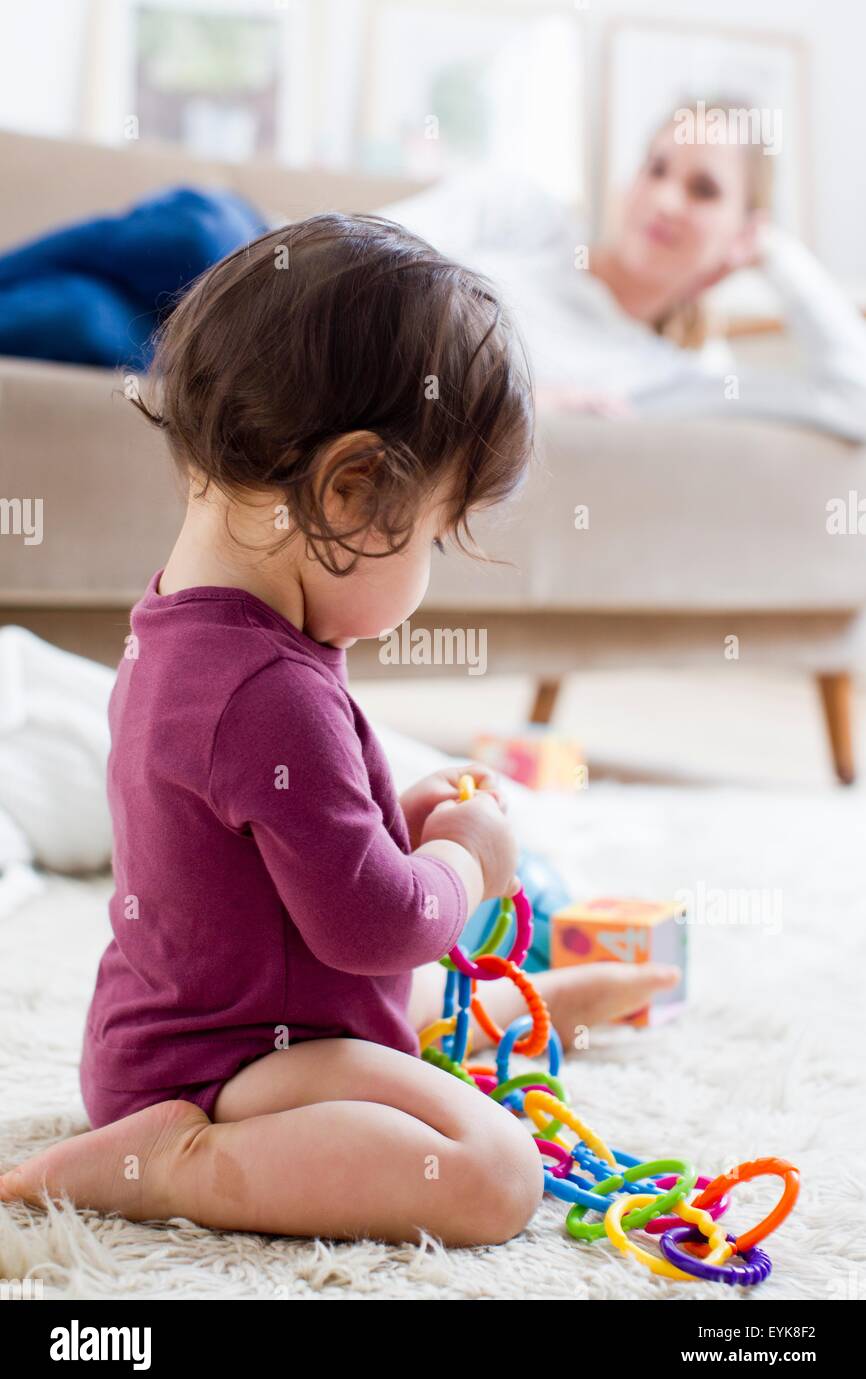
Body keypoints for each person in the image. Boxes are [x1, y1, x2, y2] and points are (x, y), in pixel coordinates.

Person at [0, 213, 677, 1246]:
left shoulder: (180, 625)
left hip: (181, 1033)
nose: (432, 568)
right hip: (227, 1069)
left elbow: (263, 842)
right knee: (493, 1172)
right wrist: (463, 861)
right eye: (438, 537)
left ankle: (533, 1009)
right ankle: (170, 1165)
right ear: (350, 491)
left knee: (418, 1040)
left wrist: (394, 819)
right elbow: (375, 928)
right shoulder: (269, 687)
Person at [379, 100, 866, 441]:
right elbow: (349, 264)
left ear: (744, 235)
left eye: (704, 189)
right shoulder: (525, 216)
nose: (665, 200)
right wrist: (510, 400)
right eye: (656, 169)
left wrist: (777, 254)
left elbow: (855, 402)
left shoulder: (673, 379)